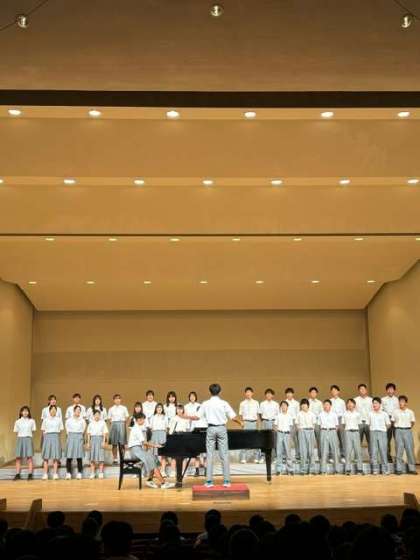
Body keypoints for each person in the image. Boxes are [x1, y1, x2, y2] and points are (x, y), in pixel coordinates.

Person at [192, 383, 243, 487]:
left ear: (209, 391)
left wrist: (185, 416)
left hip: (210, 428)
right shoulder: (224, 403)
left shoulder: (206, 403)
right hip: (221, 428)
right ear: (220, 392)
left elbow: (197, 417)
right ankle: (227, 481)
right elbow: (233, 417)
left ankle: (209, 482)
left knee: (209, 455)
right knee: (224, 455)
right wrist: (240, 422)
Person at [128, 413, 175, 489]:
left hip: (138, 450)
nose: (144, 421)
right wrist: (155, 445)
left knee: (153, 458)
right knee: (150, 459)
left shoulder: (137, 428)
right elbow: (144, 443)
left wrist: (151, 446)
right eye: (143, 419)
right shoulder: (136, 429)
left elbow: (143, 443)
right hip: (135, 451)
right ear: (139, 420)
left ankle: (149, 480)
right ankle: (163, 483)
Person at [392, 395, 417, 475]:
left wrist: (407, 428)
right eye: (400, 401)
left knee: (410, 449)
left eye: (402, 401)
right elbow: (393, 421)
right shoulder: (395, 411)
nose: (401, 403)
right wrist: (399, 428)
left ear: (406, 403)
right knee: (399, 450)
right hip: (398, 430)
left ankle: (412, 469)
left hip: (407, 431)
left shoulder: (410, 412)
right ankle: (398, 469)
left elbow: (412, 422)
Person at [184, 391, 207, 476]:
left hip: (203, 437)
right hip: (194, 436)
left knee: (205, 454)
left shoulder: (204, 419)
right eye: (191, 396)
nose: (192, 397)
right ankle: (197, 470)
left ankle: (206, 470)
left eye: (193, 396)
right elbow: (189, 424)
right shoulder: (186, 407)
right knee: (196, 453)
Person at [368, 397, 391, 475]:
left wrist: (383, 430)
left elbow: (388, 424)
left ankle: (385, 469)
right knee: (374, 451)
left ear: (380, 404)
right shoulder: (370, 413)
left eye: (376, 403)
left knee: (383, 451)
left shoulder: (384, 414)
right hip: (373, 433)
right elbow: (368, 424)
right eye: (373, 403)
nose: (374, 404)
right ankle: (375, 469)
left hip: (382, 433)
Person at [41, 404, 64, 479]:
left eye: (55, 410)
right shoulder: (45, 419)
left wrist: (57, 437)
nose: (53, 411)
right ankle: (45, 474)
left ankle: (55, 474)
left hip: (56, 437)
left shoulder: (59, 419)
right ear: (49, 411)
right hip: (47, 437)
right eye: (52, 409)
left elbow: (61, 430)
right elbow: (43, 430)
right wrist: (45, 439)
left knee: (55, 457)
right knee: (46, 457)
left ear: (56, 411)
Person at [239, 387, 261, 463]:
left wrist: (258, 425)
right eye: (247, 392)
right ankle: (243, 458)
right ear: (245, 393)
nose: (248, 393)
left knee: (256, 440)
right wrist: (242, 423)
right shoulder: (242, 403)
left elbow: (258, 414)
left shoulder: (256, 402)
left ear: (252, 393)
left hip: (254, 422)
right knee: (244, 440)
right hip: (246, 422)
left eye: (249, 392)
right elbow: (241, 415)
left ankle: (256, 458)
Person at [14, 406, 36, 480]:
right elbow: (16, 431)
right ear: (21, 412)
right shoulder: (17, 421)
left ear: (29, 412)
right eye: (23, 411)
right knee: (18, 458)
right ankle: (17, 474)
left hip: (28, 439)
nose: (25, 412)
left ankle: (30, 474)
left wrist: (27, 436)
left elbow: (33, 431)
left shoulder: (32, 421)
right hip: (20, 439)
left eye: (27, 411)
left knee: (29, 457)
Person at [342, 398, 363, 475]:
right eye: (348, 403)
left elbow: (360, 424)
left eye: (351, 403)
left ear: (354, 405)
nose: (350, 404)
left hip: (356, 432)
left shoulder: (358, 414)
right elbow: (343, 424)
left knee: (358, 451)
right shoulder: (344, 414)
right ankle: (348, 469)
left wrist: (356, 430)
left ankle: (360, 469)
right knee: (348, 451)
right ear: (346, 405)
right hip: (348, 432)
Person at [65, 404, 87, 479]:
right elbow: (67, 429)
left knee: (79, 456)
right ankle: (68, 473)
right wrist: (70, 436)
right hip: (71, 436)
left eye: (79, 410)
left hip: (79, 436)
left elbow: (83, 429)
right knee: (69, 456)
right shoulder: (69, 420)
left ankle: (79, 472)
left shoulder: (82, 420)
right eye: (77, 410)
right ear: (74, 411)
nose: (78, 411)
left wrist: (80, 436)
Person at [318, 399, 340, 474]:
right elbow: (319, 425)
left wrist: (332, 431)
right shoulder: (320, 414)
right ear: (323, 406)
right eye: (325, 404)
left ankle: (337, 469)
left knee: (335, 451)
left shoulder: (334, 414)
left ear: (330, 406)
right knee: (324, 451)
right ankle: (323, 470)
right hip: (324, 431)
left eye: (327, 404)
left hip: (332, 431)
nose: (326, 406)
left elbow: (337, 425)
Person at [295, 398, 316, 475]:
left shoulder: (312, 414)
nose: (304, 406)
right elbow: (297, 424)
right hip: (302, 431)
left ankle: (312, 470)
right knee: (303, 451)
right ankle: (303, 470)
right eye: (302, 405)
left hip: (310, 431)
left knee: (311, 451)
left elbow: (314, 424)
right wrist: (300, 429)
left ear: (308, 405)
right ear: (301, 406)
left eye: (305, 404)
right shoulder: (299, 414)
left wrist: (311, 430)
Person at [87, 408, 108, 479]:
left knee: (101, 457)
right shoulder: (91, 423)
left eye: (98, 414)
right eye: (96, 414)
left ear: (100, 415)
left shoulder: (103, 423)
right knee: (92, 457)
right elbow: (88, 434)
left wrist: (104, 441)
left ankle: (101, 472)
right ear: (93, 415)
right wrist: (88, 442)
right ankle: (92, 473)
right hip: (92, 440)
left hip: (100, 439)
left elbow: (105, 433)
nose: (97, 416)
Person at [108, 394, 129, 464]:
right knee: (114, 444)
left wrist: (123, 423)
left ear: (121, 400)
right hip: (114, 424)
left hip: (122, 424)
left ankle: (122, 458)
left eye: (119, 398)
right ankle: (115, 459)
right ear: (113, 400)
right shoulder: (111, 409)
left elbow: (127, 416)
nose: (117, 400)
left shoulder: (124, 408)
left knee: (122, 443)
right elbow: (109, 418)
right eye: (116, 399)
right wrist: (113, 424)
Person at [274, 400, 294, 475]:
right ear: (280, 407)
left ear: (287, 407)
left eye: (285, 406)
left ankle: (290, 469)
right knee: (279, 452)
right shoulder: (278, 416)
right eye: (282, 406)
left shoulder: (290, 416)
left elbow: (291, 426)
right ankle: (279, 469)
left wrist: (289, 435)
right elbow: (275, 426)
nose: (283, 407)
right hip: (280, 433)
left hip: (287, 434)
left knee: (288, 453)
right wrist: (278, 432)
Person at [381, 383, 399, 462]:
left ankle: (398, 458)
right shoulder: (383, 399)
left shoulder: (397, 400)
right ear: (386, 390)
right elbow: (381, 411)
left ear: (394, 390)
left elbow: (399, 411)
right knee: (386, 440)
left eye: (392, 389)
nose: (390, 391)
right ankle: (388, 458)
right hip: (387, 421)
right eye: (388, 389)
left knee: (397, 440)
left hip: (396, 421)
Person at [150, 403, 168, 474]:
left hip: (163, 434)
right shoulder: (153, 417)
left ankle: (163, 471)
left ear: (162, 409)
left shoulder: (165, 417)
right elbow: (151, 428)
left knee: (163, 454)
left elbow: (166, 428)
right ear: (156, 409)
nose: (159, 409)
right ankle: (156, 471)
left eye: (160, 407)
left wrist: (164, 435)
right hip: (155, 434)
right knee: (154, 454)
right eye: (158, 407)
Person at [330, 385, 346, 459]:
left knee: (342, 438)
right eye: (332, 391)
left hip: (340, 419)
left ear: (338, 391)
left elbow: (344, 412)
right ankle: (332, 456)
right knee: (332, 438)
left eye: (335, 390)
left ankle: (343, 455)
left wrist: (343, 423)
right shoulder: (330, 401)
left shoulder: (342, 401)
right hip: (332, 420)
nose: (334, 392)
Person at [284, 388, 300, 461]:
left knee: (296, 439)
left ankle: (298, 455)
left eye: (290, 393)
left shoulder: (296, 403)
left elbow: (298, 414)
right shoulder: (284, 403)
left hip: (294, 422)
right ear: (286, 394)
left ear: (293, 394)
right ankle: (287, 456)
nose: (289, 394)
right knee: (287, 440)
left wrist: (297, 424)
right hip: (286, 422)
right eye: (287, 393)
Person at [308, 387, 323, 458]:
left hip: (317, 422)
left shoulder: (319, 403)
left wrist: (320, 423)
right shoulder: (307, 402)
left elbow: (321, 413)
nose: (313, 394)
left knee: (319, 439)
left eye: (314, 392)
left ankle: (320, 456)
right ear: (309, 393)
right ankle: (310, 457)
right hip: (309, 423)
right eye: (312, 392)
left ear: (316, 393)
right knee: (309, 440)